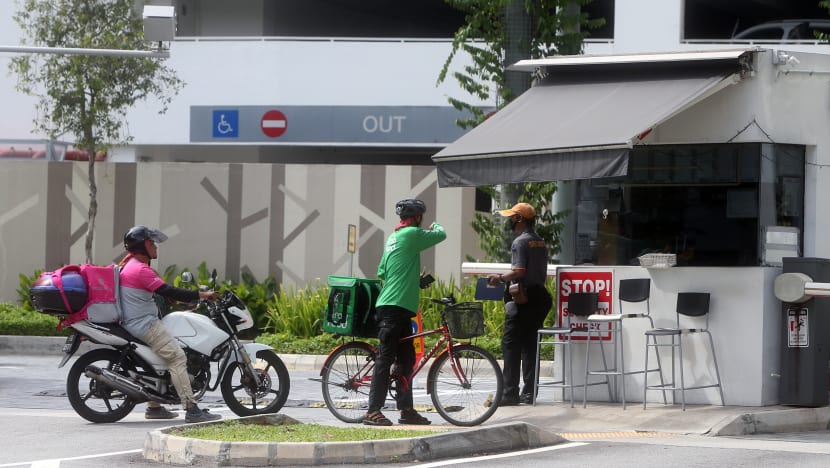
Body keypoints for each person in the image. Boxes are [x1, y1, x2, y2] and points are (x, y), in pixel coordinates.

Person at [119, 225, 221, 423]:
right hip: (144, 325)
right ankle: (191, 409)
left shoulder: (130, 264)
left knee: (158, 361)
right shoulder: (140, 269)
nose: (156, 247)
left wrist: (178, 302)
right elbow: (168, 290)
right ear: (144, 246)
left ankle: (154, 407)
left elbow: (158, 293)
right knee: (177, 358)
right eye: (152, 244)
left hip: (135, 322)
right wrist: (202, 295)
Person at [363, 199, 446, 426]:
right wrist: (436, 225)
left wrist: (411, 279)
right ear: (418, 217)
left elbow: (382, 270)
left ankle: (406, 410)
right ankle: (372, 411)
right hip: (393, 307)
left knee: (405, 360)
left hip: (396, 307)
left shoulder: (393, 238)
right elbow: (441, 235)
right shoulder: (411, 233)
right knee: (386, 359)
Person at [487, 202, 553, 405]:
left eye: (511, 217)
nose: (509, 221)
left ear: (519, 219)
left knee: (511, 345)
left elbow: (519, 271)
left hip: (524, 298)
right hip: (540, 297)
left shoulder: (520, 242)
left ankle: (509, 394)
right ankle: (529, 393)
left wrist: (499, 278)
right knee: (530, 346)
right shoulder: (539, 242)